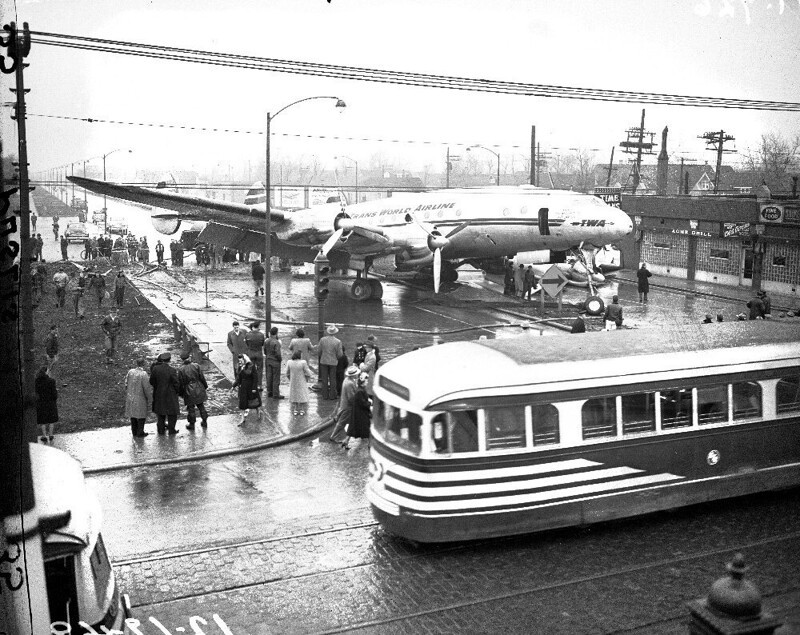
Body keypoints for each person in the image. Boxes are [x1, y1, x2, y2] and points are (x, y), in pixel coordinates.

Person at [150, 352, 180, 435]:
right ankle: (171, 430)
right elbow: (176, 383)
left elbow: (151, 381)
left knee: (160, 413)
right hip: (170, 394)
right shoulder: (172, 370)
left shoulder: (155, 369)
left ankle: (161, 430)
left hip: (159, 394)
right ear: (169, 360)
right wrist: (176, 392)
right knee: (172, 414)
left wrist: (158, 387)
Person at [178, 352, 209, 430]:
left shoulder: (181, 369)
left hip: (188, 389)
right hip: (198, 387)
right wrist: (204, 386)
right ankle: (204, 421)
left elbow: (180, 382)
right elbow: (202, 377)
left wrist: (181, 393)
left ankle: (192, 424)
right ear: (189, 357)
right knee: (201, 405)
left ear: (182, 359)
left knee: (190, 408)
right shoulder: (196, 366)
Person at [342, 372, 372, 450]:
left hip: (358, 413)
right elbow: (363, 403)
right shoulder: (360, 391)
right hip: (361, 413)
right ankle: (370, 444)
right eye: (366, 381)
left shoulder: (360, 390)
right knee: (367, 428)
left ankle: (346, 441)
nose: (367, 382)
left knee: (353, 428)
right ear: (363, 382)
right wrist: (369, 402)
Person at [329, 365, 359, 444]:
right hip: (347, 406)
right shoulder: (350, 383)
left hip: (343, 404)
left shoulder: (346, 380)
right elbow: (351, 397)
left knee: (342, 421)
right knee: (342, 422)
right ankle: (333, 436)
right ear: (353, 375)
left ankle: (335, 435)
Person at [125, 358, 153, 438]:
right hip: (140, 397)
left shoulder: (130, 372)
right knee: (141, 415)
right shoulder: (143, 374)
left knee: (132, 415)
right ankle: (140, 432)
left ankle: (134, 431)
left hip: (131, 396)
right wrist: (150, 398)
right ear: (143, 364)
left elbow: (126, 383)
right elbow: (146, 387)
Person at [232, 354, 262, 426]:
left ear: (244, 360)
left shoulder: (251, 366)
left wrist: (254, 388)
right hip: (243, 388)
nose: (240, 362)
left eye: (241, 360)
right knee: (243, 403)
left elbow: (255, 378)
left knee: (254, 401)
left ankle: (258, 412)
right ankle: (242, 419)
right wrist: (234, 386)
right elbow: (239, 378)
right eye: (239, 361)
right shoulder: (240, 367)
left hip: (251, 387)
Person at [318, 324, 344, 400]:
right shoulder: (338, 342)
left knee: (324, 379)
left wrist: (322, 356)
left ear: (327, 332)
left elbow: (319, 351)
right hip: (333, 362)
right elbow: (340, 354)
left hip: (324, 361)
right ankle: (332, 395)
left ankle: (325, 395)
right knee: (333, 379)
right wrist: (336, 358)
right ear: (335, 332)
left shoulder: (322, 340)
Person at [35, 366, 58, 443]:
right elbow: (54, 394)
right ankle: (51, 435)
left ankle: (44, 435)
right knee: (51, 419)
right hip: (50, 402)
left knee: (42, 420)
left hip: (41, 403)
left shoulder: (36, 381)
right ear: (46, 372)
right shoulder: (51, 381)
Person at [287, 350, 312, 416]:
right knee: (301, 393)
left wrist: (290, 379)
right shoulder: (303, 362)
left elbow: (287, 373)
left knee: (294, 393)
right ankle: (301, 409)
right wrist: (308, 376)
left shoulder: (289, 362)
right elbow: (308, 372)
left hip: (293, 380)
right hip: (301, 380)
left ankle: (295, 409)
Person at [264, 326, 284, 399]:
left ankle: (269, 392)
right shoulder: (276, 342)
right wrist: (280, 359)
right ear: (276, 333)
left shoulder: (266, 341)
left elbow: (265, 351)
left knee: (269, 376)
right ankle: (276, 394)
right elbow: (278, 353)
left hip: (268, 360)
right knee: (276, 378)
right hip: (275, 361)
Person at [244, 321, 266, 385]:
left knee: (251, 369)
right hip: (259, 353)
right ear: (258, 327)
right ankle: (259, 385)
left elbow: (247, 344)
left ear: (252, 327)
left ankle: (252, 384)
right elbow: (262, 344)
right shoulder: (261, 335)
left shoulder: (247, 334)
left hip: (251, 353)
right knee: (259, 369)